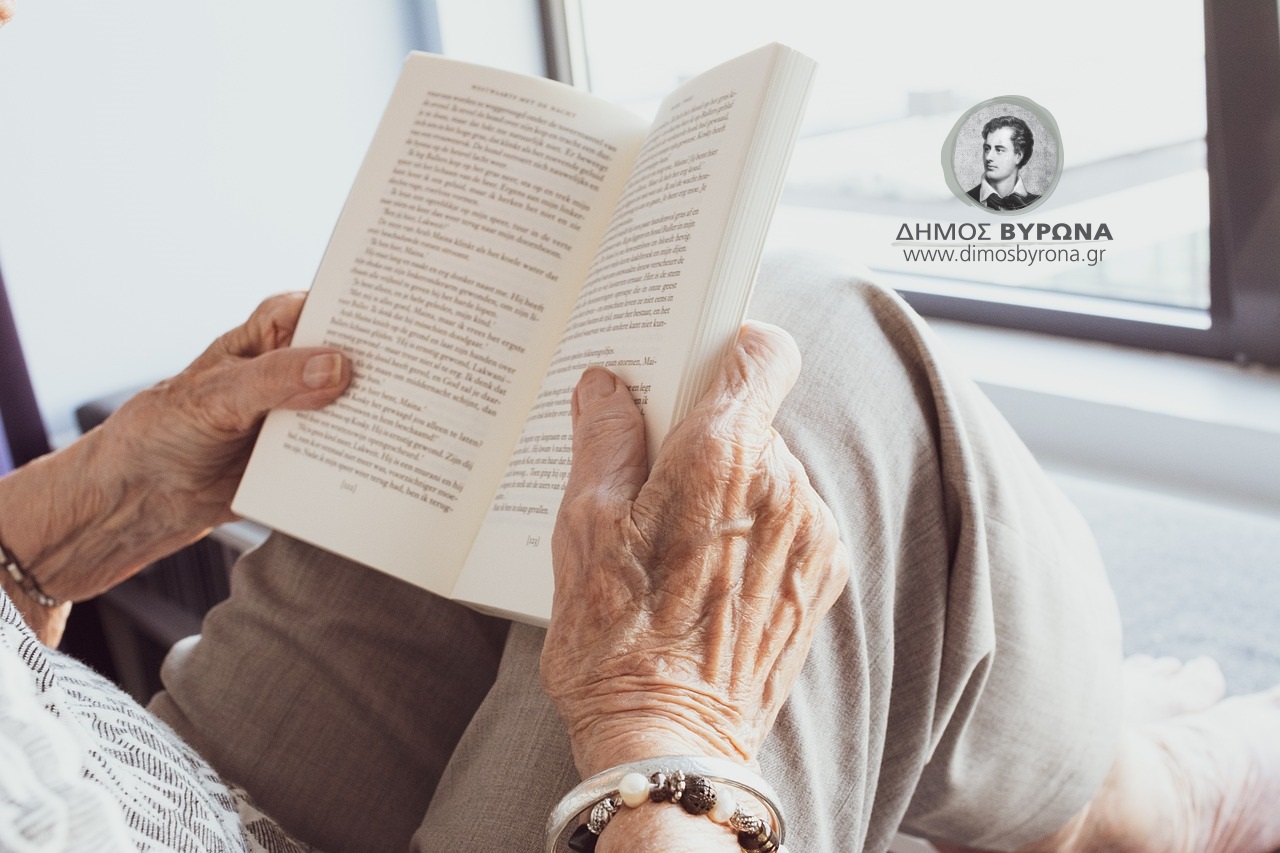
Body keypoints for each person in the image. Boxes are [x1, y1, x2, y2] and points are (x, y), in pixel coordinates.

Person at [965, 115, 1041, 211]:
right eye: (987, 149)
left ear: (1018, 156)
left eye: (999, 150)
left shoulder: (1041, 204)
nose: (988, 157)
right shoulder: (964, 201)